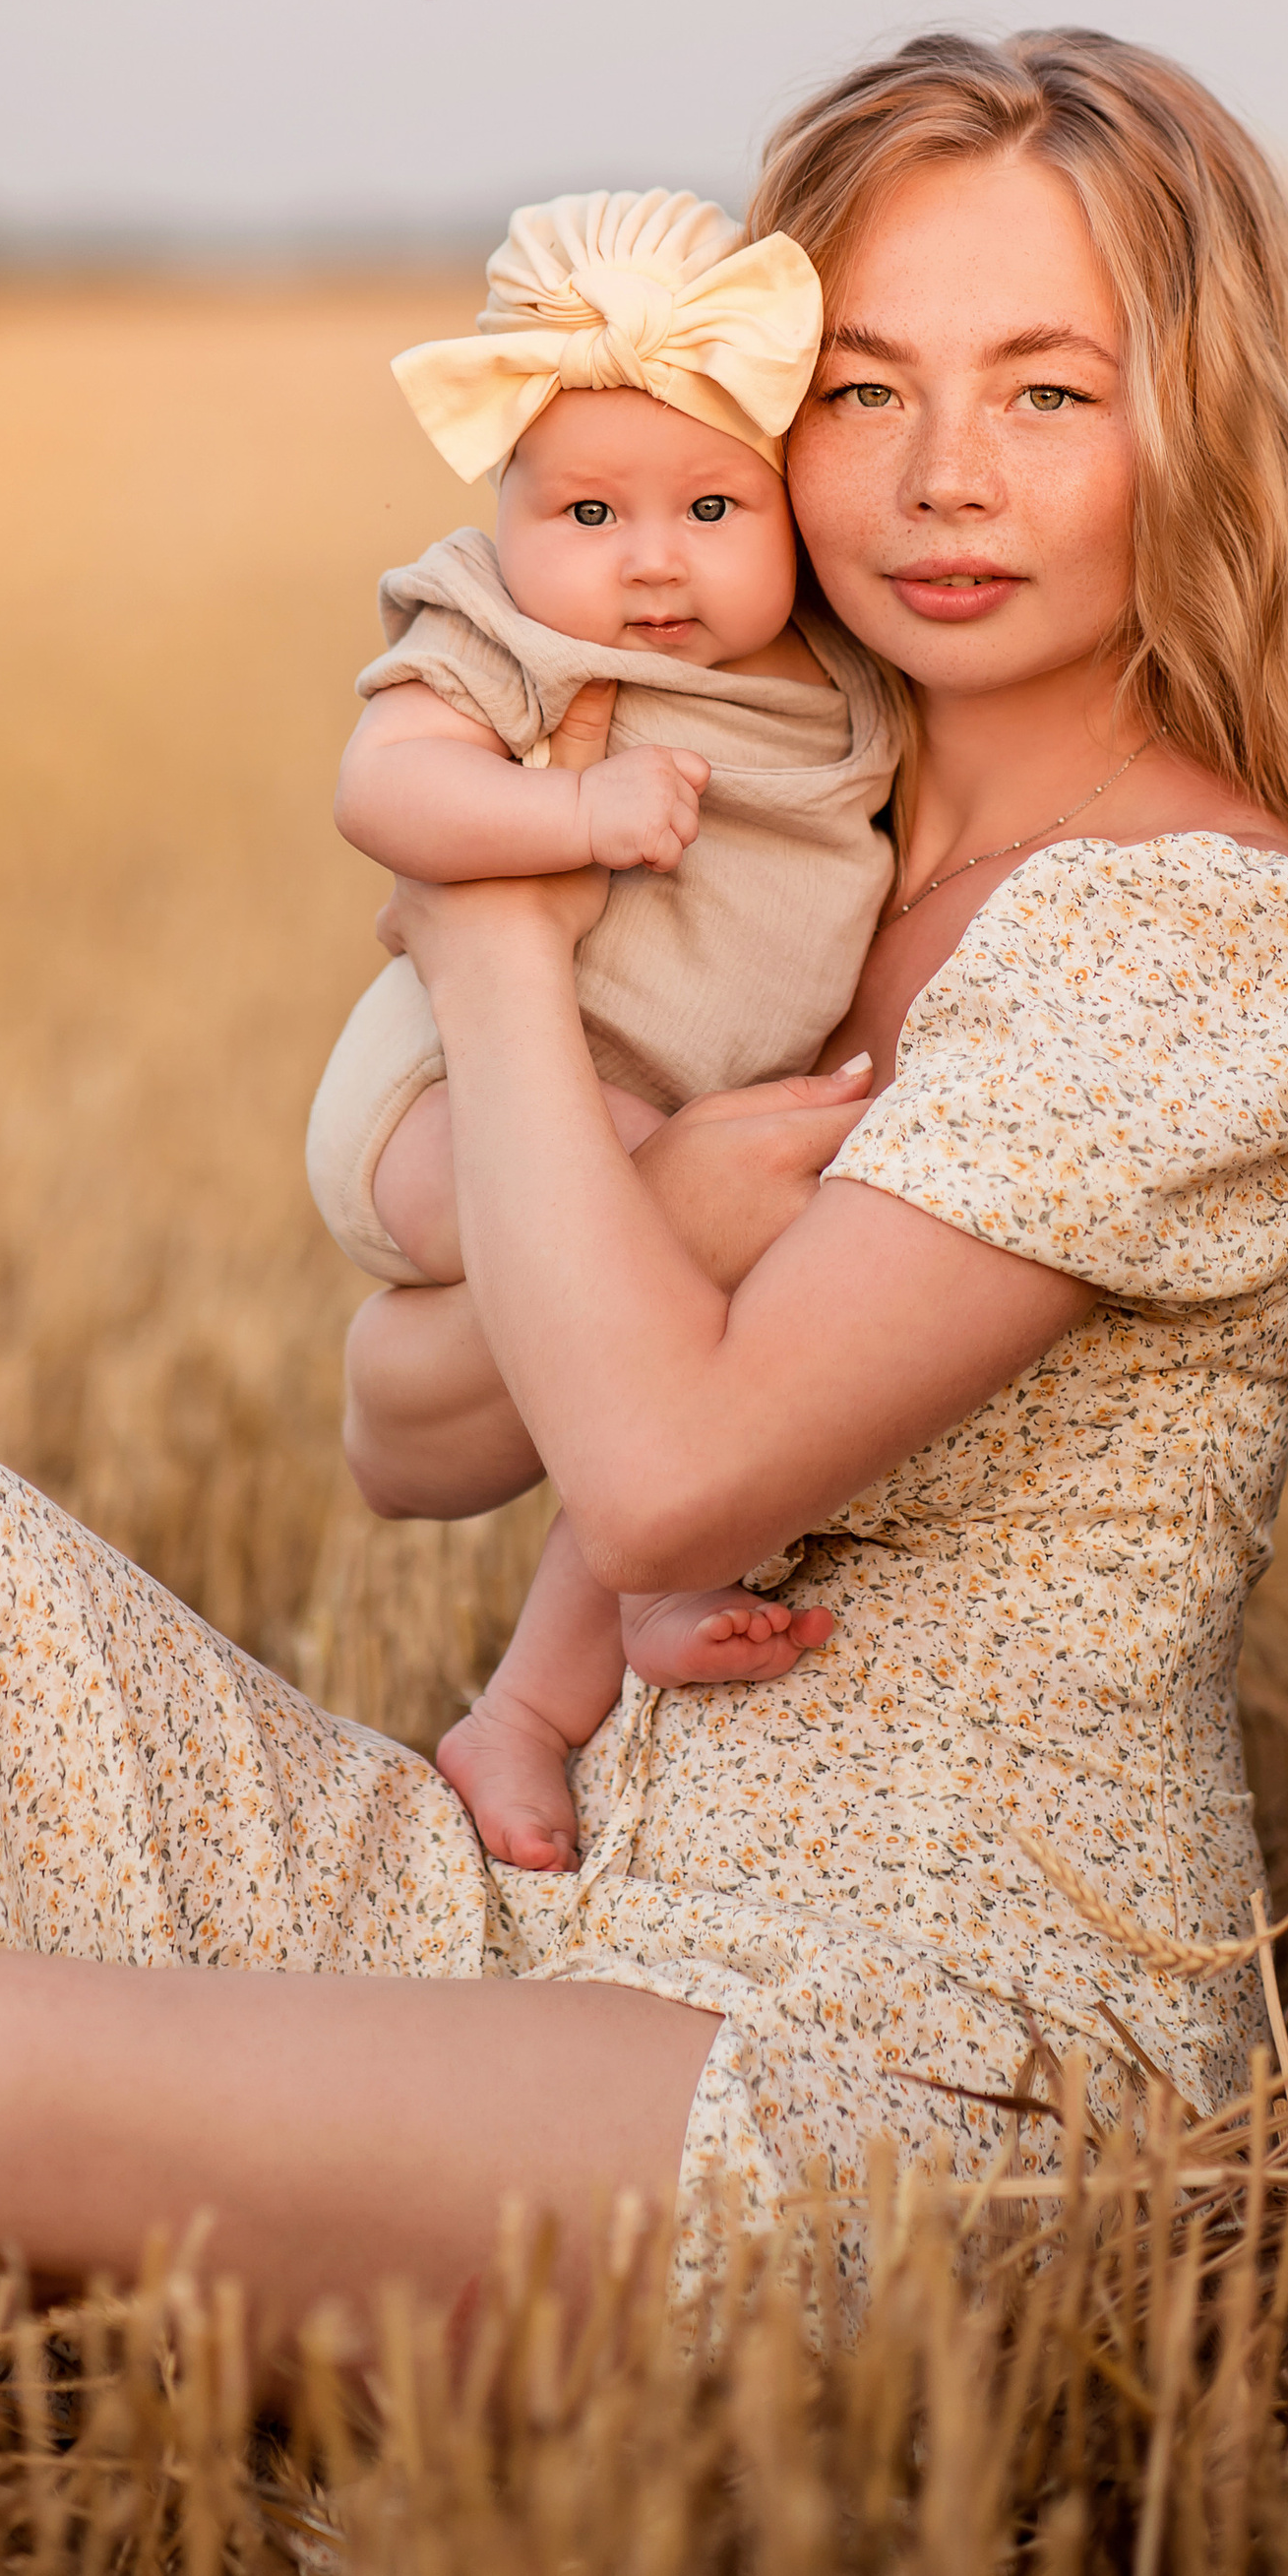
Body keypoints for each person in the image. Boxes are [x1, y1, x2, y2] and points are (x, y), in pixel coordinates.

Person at [0, 29, 1288, 2451]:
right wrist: (626, 1187)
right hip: (557, 1918)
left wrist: (491, 920)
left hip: (928, 2077)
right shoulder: (794, 845)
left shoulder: (1202, 939)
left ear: (1209, 423)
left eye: (1049, 390)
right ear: (746, 421)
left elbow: (651, 1484)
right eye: (860, 392)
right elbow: (404, 1423)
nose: (947, 476)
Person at [309, 182, 903, 1870]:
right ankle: (660, 1570)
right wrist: (570, 824)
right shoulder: (506, 629)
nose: (650, 562)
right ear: (502, 505)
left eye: (714, 504)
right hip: (446, 1105)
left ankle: (529, 1711)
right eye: (584, 510)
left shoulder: (836, 673)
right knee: (671, 1275)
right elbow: (385, 788)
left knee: (691, 1302)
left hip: (635, 1115)